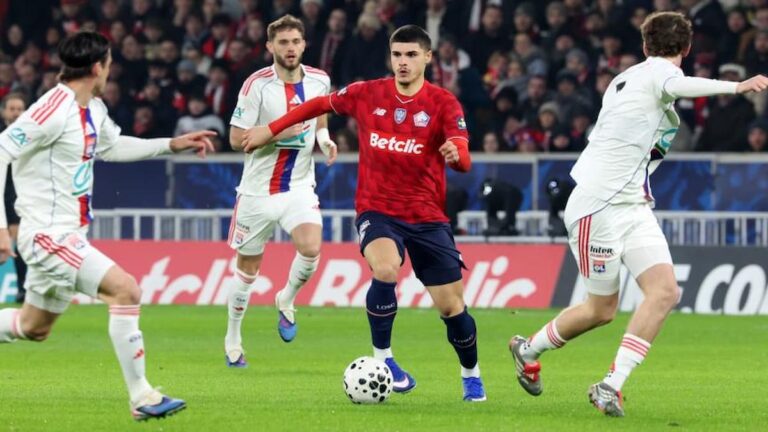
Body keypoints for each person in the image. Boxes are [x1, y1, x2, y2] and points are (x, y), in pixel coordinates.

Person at [507, 11, 768, 417]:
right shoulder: (657, 76)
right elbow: (678, 83)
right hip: (599, 205)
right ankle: (528, 349)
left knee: (665, 291)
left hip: (631, 203)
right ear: (687, 49)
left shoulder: (623, 79)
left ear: (645, 45)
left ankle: (611, 385)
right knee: (601, 310)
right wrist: (737, 86)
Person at [240, 24, 486, 402]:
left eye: (411, 55)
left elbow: (463, 156)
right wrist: (269, 130)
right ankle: (384, 360)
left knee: (452, 308)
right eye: (397, 55)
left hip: (427, 216)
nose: (402, 63)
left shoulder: (443, 104)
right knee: (386, 268)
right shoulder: (367, 93)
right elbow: (318, 105)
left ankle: (471, 375)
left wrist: (457, 156)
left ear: (427, 58)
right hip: (378, 209)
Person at [0, 32, 215, 421]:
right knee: (125, 289)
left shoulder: (93, 109)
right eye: (110, 64)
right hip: (48, 234)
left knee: (33, 327)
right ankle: (143, 397)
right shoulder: (52, 109)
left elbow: (113, 146)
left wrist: (171, 144)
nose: (110, 71)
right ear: (98, 67)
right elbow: (1, 150)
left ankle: (142, 396)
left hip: (70, 233)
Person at [224, 15, 337, 368]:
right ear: (270, 47)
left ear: (304, 45)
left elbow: (320, 118)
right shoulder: (255, 86)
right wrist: (280, 132)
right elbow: (235, 139)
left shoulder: (320, 80)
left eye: (295, 42)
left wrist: (324, 139)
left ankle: (285, 298)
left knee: (312, 248)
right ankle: (233, 338)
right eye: (283, 43)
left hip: (299, 186)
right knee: (248, 270)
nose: (290, 48)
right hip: (258, 192)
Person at [0, 93, 28, 303]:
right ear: (3, 112)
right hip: (2, 192)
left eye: (20, 108)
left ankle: (22, 289)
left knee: (21, 244)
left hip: (18, 196)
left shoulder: (30, 137)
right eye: (12, 108)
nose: (17, 113)